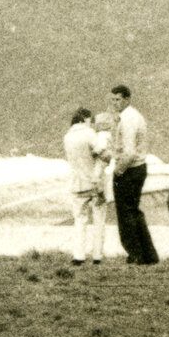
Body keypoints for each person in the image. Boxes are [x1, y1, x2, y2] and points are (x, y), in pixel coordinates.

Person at [108, 86, 158, 265]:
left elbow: (128, 152)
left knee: (126, 214)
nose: (114, 103)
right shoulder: (132, 116)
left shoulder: (128, 119)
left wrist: (118, 170)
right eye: (112, 100)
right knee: (134, 212)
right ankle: (148, 255)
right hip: (138, 168)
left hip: (129, 169)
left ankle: (136, 253)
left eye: (118, 100)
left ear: (127, 99)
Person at [63, 108, 107, 265]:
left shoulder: (67, 137)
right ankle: (97, 256)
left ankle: (78, 256)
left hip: (76, 184)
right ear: (85, 119)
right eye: (91, 120)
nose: (92, 124)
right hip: (94, 183)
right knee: (99, 219)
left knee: (79, 220)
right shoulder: (89, 134)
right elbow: (102, 153)